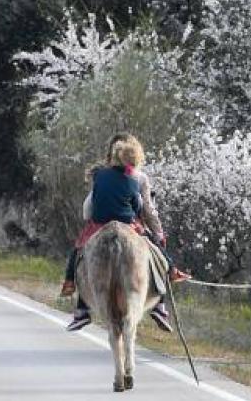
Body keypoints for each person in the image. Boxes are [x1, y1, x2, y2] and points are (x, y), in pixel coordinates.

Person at [61, 133, 187, 332]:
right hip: (130, 225)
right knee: (156, 252)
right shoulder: (138, 178)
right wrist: (158, 233)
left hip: (99, 225)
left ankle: (80, 307)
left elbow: (88, 210)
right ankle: (160, 303)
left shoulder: (99, 174)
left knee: (79, 253)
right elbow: (146, 210)